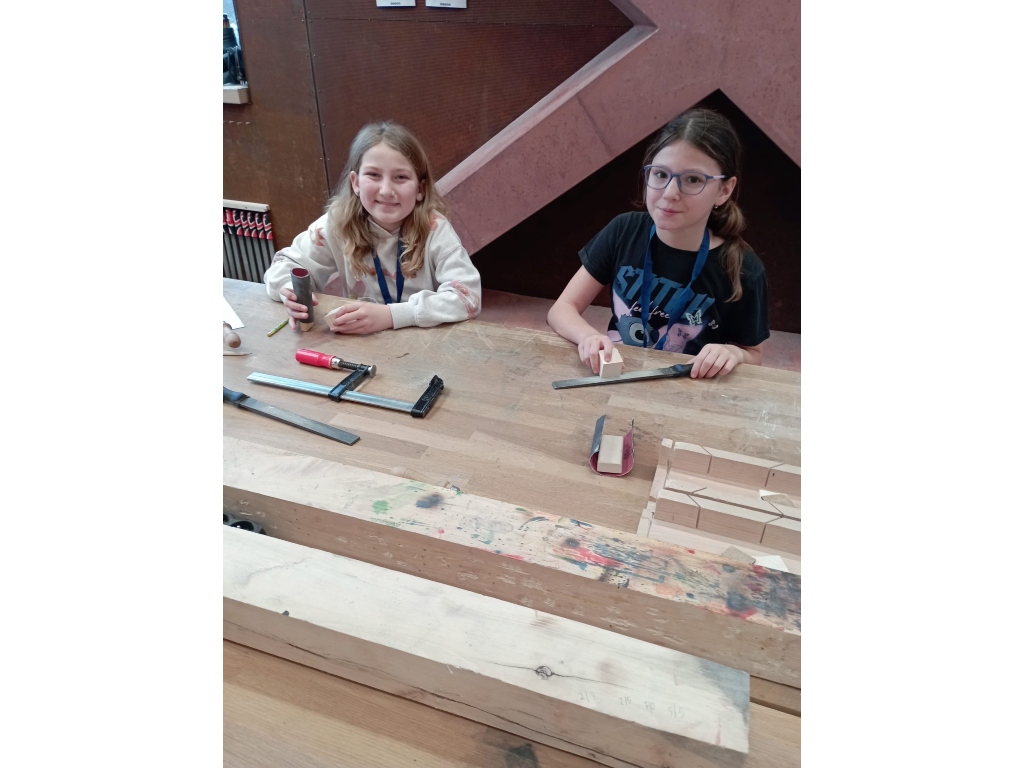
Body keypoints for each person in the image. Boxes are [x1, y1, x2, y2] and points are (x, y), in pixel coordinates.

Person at [546, 108, 770, 379]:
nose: (670, 193)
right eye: (661, 175)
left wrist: (734, 353)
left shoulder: (744, 269)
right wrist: (588, 337)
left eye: (693, 180)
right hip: (617, 380)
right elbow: (562, 309)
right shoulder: (624, 230)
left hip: (691, 391)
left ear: (724, 190)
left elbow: (752, 353)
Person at [264, 121, 481, 333]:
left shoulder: (435, 230)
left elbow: (468, 297)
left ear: (420, 189)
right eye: (374, 175)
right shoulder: (337, 224)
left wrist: (390, 316)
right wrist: (290, 289)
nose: (386, 190)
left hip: (425, 342)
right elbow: (284, 264)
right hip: (360, 342)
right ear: (356, 182)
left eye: (401, 177)